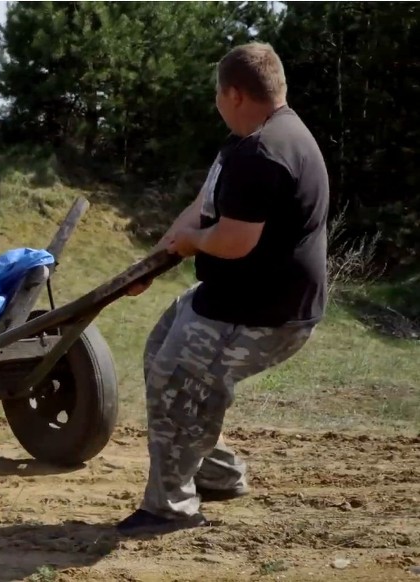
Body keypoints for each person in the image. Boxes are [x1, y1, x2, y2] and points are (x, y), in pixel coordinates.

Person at [117, 42, 330, 535]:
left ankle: (170, 509)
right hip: (236, 298)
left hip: (266, 312)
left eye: (217, 93)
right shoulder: (245, 142)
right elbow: (202, 208)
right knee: (160, 351)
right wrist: (152, 263)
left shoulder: (266, 151)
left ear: (234, 93)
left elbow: (232, 241)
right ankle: (216, 473)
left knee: (177, 379)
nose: (216, 101)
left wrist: (191, 244)